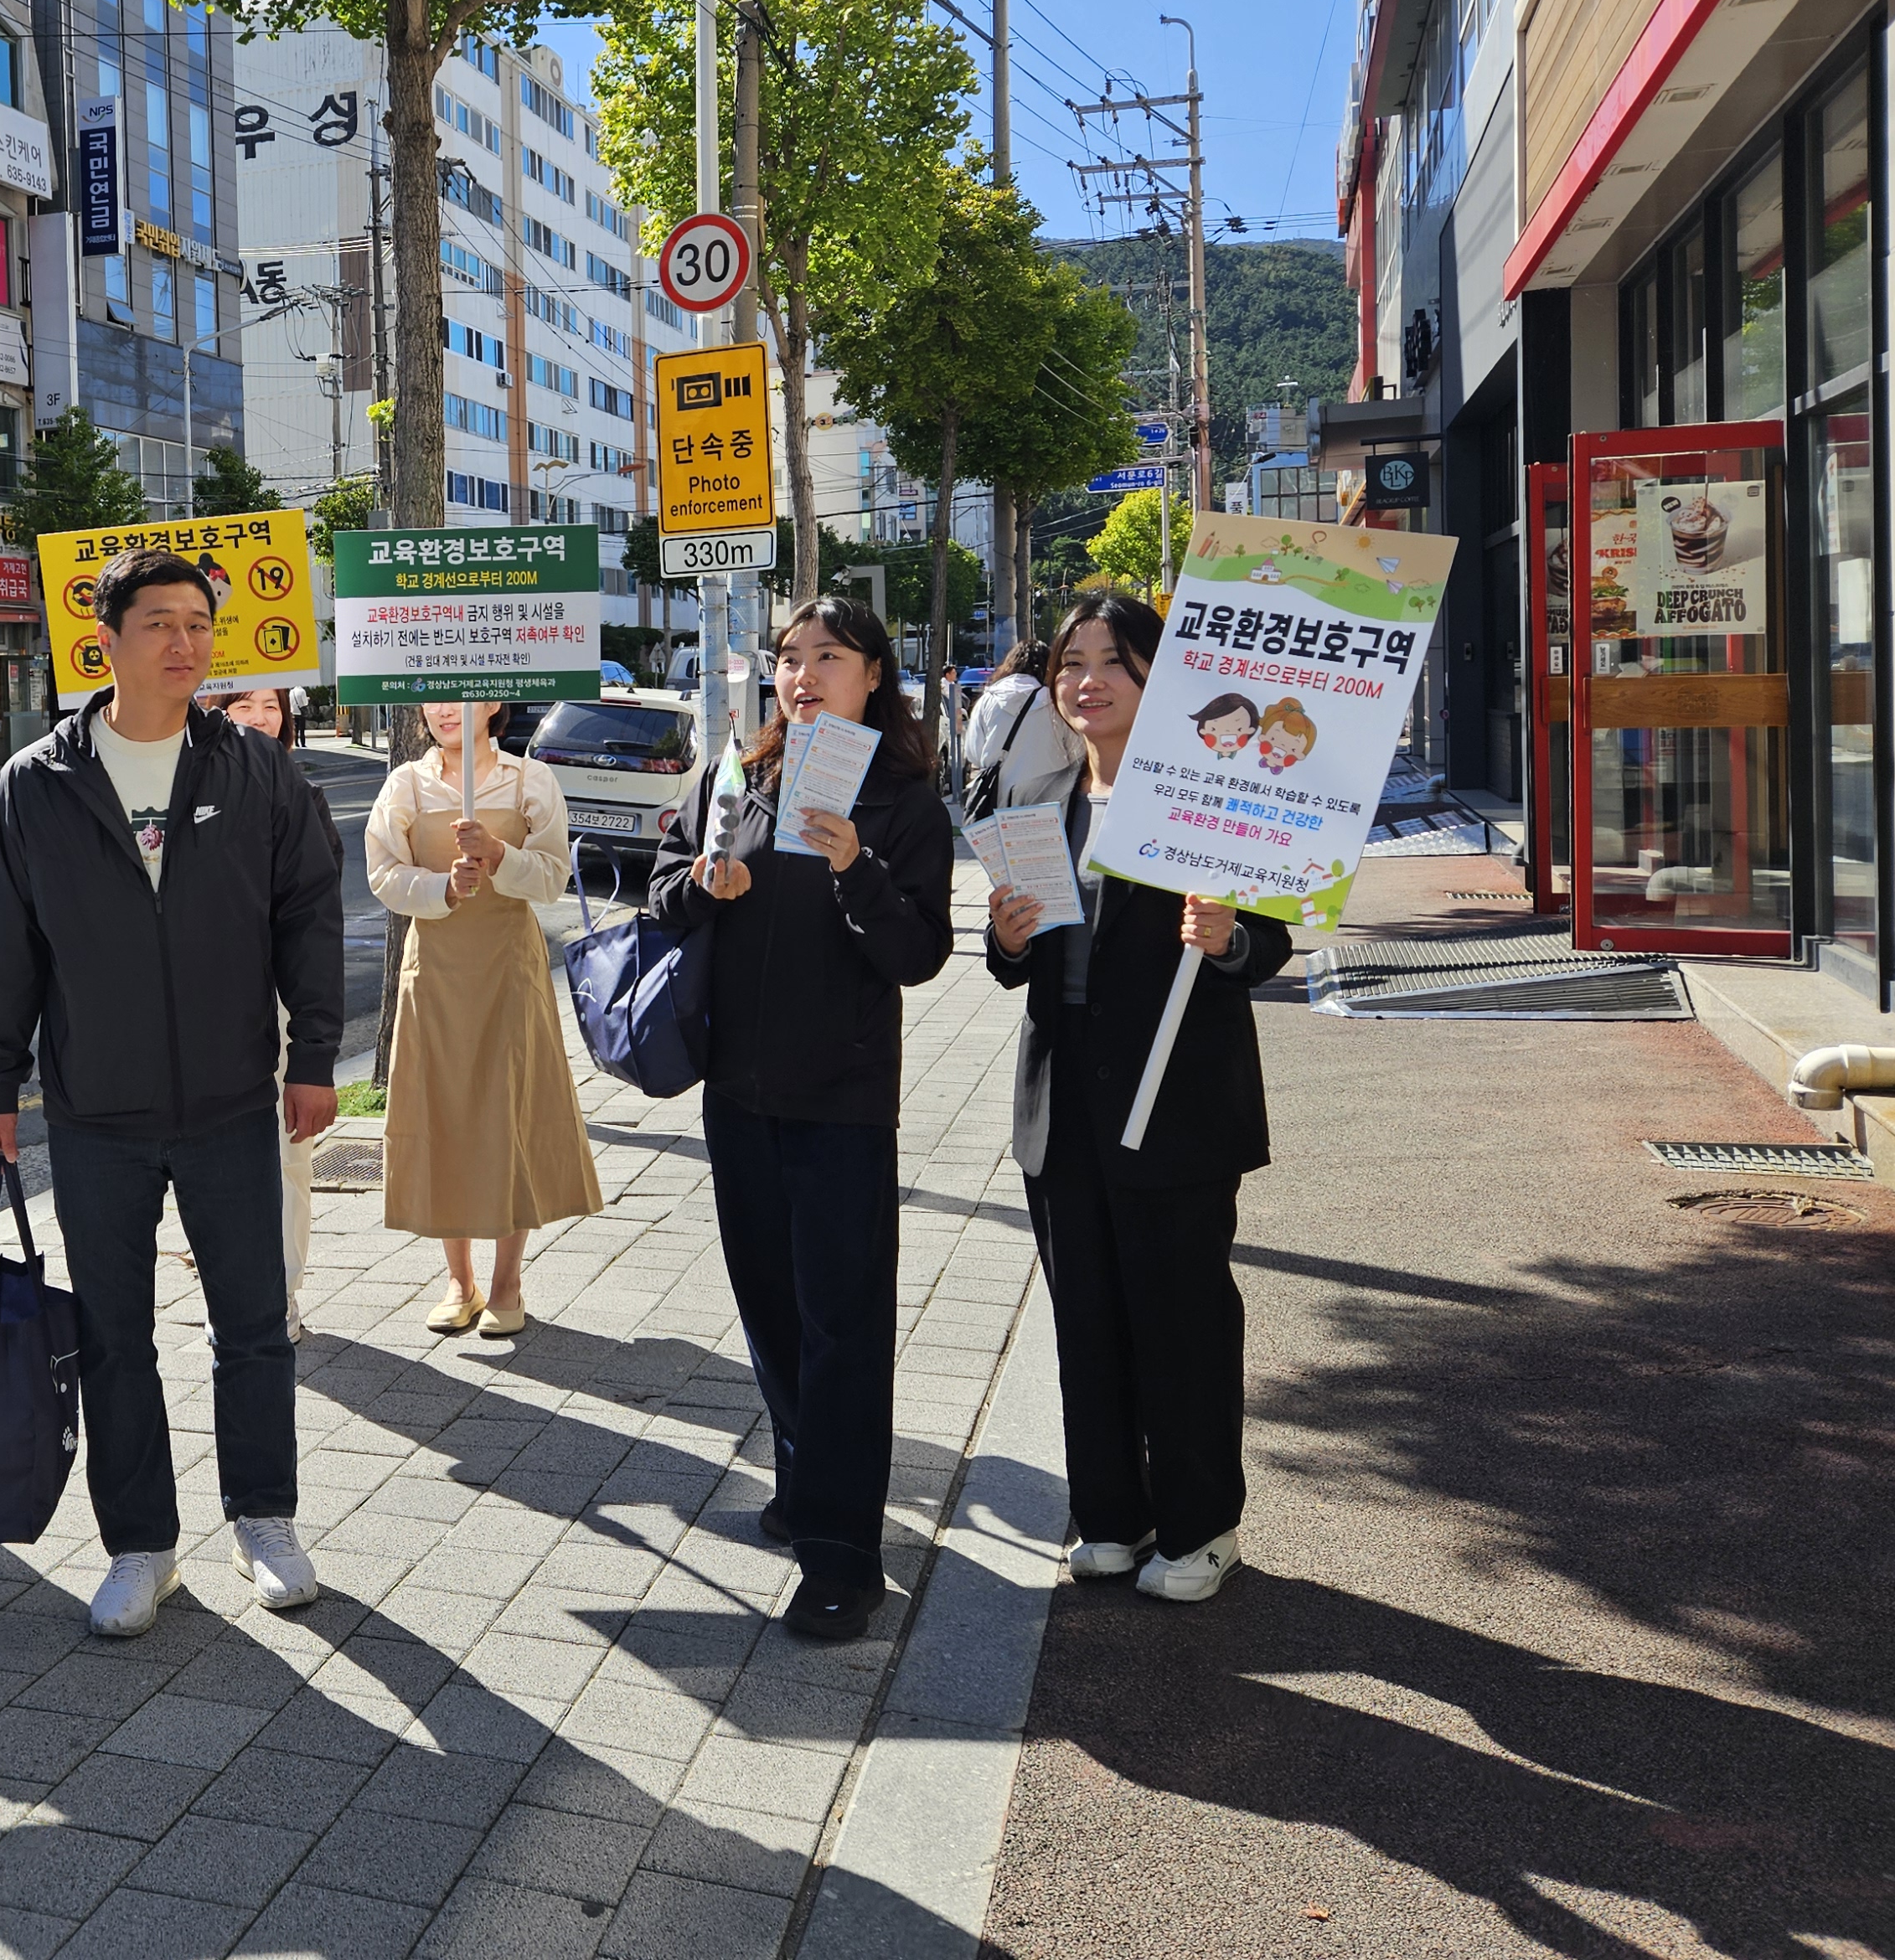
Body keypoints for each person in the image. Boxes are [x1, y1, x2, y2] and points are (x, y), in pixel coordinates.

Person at [0, 548, 344, 1636]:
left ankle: (264, 1520)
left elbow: (308, 916)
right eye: (161, 624)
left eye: (198, 624)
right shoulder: (37, 783)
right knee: (115, 1337)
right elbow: (6, 948)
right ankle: (142, 1547)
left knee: (255, 1327)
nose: (186, 644)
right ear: (108, 637)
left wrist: (314, 1056)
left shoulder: (256, 771)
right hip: (96, 1113)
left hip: (233, 1100)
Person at [643, 598, 953, 1641]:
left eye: (830, 656)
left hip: (842, 1104)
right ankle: (800, 1481)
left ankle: (842, 1558)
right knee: (770, 1313)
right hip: (737, 1095)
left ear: (874, 675)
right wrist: (701, 885)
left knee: (843, 1330)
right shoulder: (738, 777)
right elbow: (657, 898)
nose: (805, 673)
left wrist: (853, 867)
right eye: (789, 657)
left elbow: (918, 954)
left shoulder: (904, 800)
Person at [984, 590, 1292, 1606]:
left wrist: (1228, 938)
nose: (1088, 679)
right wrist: (1010, 938)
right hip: (1064, 1104)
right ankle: (1113, 1514)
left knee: (1183, 1320)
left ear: (1161, 678)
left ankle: (1203, 1525)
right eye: (1071, 661)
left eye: (1115, 659)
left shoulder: (1214, 790)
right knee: (1087, 1321)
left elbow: (1269, 941)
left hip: (1176, 1105)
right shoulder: (1047, 800)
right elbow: (1015, 964)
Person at [367, 697, 597, 1338]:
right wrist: (441, 888)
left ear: (492, 700)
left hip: (508, 967)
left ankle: (507, 1281)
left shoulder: (530, 780)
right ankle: (458, 1279)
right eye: (433, 699)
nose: (443, 710)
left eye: (459, 697)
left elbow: (552, 879)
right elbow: (384, 874)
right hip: (434, 968)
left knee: (509, 1111)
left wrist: (500, 856)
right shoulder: (405, 784)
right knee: (443, 1110)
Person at [218, 684, 331, 1343]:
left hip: (280, 1007)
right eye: (243, 706)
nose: (262, 718)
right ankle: (228, 1290)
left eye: (271, 704)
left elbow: (316, 914)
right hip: (209, 1012)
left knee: (290, 1160)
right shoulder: (178, 786)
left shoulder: (301, 792)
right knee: (219, 1161)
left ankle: (280, 1293)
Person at [960, 637, 1082, 816]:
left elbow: (974, 753)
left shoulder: (988, 699)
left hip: (1000, 802)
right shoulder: (1056, 703)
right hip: (1050, 803)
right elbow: (1077, 754)